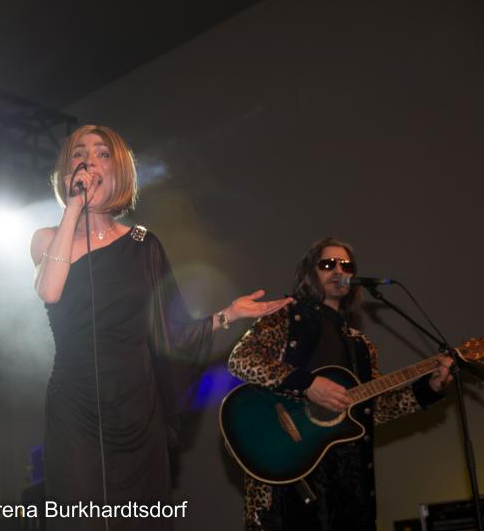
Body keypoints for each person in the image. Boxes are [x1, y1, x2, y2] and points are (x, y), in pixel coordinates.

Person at [30, 124, 291, 530]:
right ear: (68, 171)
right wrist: (74, 208)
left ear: (119, 170)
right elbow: (49, 290)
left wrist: (227, 314)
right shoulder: (48, 238)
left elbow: (173, 334)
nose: (90, 160)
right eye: (80, 153)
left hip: (137, 408)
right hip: (75, 406)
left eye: (102, 153)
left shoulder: (143, 244)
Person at [228, 237, 453, 531]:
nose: (338, 270)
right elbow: (242, 358)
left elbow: (375, 409)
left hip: (348, 482)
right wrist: (308, 384)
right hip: (290, 477)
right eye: (327, 264)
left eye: (346, 265)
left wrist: (429, 388)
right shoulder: (286, 316)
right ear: (310, 273)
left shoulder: (361, 345)